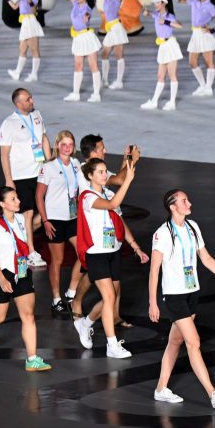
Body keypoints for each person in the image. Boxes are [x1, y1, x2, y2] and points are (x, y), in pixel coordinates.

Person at [148, 189, 215, 407]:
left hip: (192, 292)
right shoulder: (162, 234)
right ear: (173, 207)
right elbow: (154, 270)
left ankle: (161, 389)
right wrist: (153, 302)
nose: (189, 203)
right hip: (174, 295)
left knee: (174, 341)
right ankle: (212, 393)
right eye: (184, 201)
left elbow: (206, 258)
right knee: (193, 342)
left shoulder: (193, 227)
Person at [73, 156, 148, 358]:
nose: (105, 174)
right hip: (96, 254)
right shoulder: (87, 197)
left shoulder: (108, 193)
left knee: (112, 297)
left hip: (113, 251)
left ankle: (86, 323)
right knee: (108, 297)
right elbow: (113, 203)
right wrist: (128, 180)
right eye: (100, 172)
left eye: (106, 171)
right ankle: (112, 345)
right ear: (90, 176)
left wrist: (135, 247)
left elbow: (120, 221)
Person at [0, 186, 52, 371]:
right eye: (13, 199)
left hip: (21, 271)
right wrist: (2, 279)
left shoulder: (21, 219)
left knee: (28, 315)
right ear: (2, 204)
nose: (18, 201)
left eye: (17, 198)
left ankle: (32, 359)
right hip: (1, 274)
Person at [73, 134, 141, 321]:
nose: (105, 150)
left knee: (110, 278)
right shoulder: (87, 171)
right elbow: (119, 183)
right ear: (93, 152)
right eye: (101, 148)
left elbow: (118, 179)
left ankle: (114, 315)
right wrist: (131, 161)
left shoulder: (99, 169)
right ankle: (77, 301)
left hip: (107, 224)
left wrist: (127, 160)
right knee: (92, 271)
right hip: (95, 227)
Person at [0, 88, 50, 272]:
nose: (32, 101)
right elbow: (4, 154)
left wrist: (50, 162)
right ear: (18, 103)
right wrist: (8, 180)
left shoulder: (37, 115)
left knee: (45, 212)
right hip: (21, 176)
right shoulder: (8, 124)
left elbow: (43, 138)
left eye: (31, 98)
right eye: (28, 99)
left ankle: (17, 239)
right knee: (27, 213)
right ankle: (31, 252)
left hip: (39, 172)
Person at [35, 130, 85, 318]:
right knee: (57, 260)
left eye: (70, 144)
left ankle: (71, 292)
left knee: (84, 253)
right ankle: (56, 299)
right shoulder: (48, 167)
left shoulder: (76, 164)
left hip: (72, 218)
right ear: (57, 145)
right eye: (63, 144)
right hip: (55, 219)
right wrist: (45, 220)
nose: (67, 147)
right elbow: (39, 195)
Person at [178, 0, 215, 95]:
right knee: (192, 62)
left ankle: (208, 88)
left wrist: (212, 30)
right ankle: (202, 85)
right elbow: (181, 1)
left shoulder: (210, 6)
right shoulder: (194, 1)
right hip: (195, 34)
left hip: (204, 35)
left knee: (209, 63)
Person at [58, 0, 102, 102]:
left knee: (93, 66)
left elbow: (87, 15)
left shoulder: (87, 9)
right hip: (77, 38)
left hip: (87, 38)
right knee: (78, 66)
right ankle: (75, 93)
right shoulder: (75, 4)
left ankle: (96, 94)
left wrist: (86, 18)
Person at [140, 0, 184, 110]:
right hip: (163, 47)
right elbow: (150, 14)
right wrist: (146, 12)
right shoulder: (157, 14)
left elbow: (179, 26)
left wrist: (165, 22)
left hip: (170, 45)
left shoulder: (170, 16)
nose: (155, 4)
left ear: (164, 3)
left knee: (172, 75)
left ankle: (172, 103)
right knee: (160, 76)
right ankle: (154, 101)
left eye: (157, 2)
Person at [4, 0, 45, 82]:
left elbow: (34, 10)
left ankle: (34, 74)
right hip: (25, 23)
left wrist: (30, 3)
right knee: (22, 49)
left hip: (30, 22)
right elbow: (15, 6)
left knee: (34, 49)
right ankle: (17, 73)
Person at [96, 0, 131, 90]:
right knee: (104, 54)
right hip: (111, 29)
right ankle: (104, 80)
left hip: (116, 28)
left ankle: (119, 81)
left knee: (118, 55)